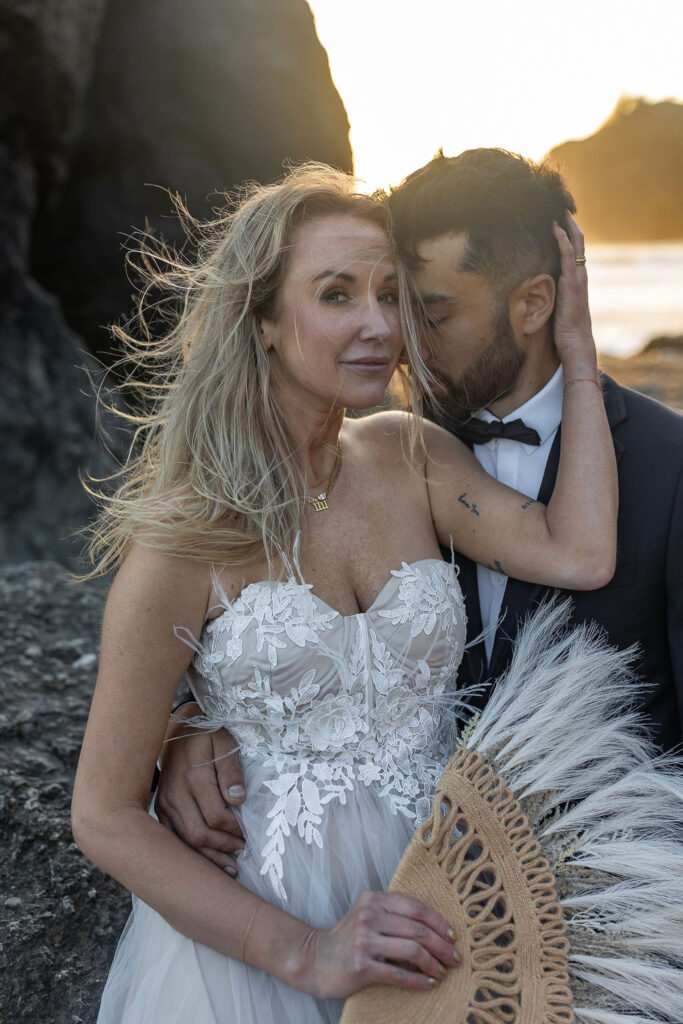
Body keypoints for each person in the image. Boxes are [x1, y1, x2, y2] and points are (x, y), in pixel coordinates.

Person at [72, 163, 616, 1023]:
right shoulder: (187, 531)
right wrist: (301, 951)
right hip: (257, 935)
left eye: (392, 295)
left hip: (434, 897)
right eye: (336, 295)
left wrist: (580, 358)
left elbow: (578, 553)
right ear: (263, 321)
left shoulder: (412, 453)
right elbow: (102, 813)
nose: (378, 327)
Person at [157, 150, 682, 882]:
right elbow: (293, 629)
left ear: (532, 305)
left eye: (425, 312)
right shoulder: (406, 450)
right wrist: (200, 718)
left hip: (618, 899)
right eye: (376, 302)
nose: (394, 336)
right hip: (397, 878)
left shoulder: (669, 465)